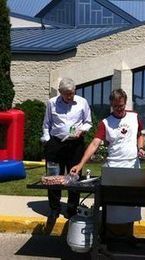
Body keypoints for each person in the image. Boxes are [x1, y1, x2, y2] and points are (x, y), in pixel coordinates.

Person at [70, 88, 145, 238]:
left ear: (125, 102)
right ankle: (108, 236)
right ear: (111, 104)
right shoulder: (105, 123)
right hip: (114, 167)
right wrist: (80, 164)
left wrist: (140, 148)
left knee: (132, 203)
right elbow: (94, 144)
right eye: (115, 106)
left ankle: (129, 236)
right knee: (113, 205)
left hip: (133, 166)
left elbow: (140, 135)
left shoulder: (134, 117)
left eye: (121, 105)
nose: (119, 109)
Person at [41, 77, 92, 220]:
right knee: (53, 177)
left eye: (72, 93)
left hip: (75, 145)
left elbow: (88, 122)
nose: (70, 96)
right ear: (60, 92)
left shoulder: (82, 102)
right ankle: (54, 209)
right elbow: (46, 124)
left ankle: (72, 208)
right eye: (66, 94)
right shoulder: (51, 103)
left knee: (74, 176)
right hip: (55, 144)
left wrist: (82, 130)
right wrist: (47, 140)